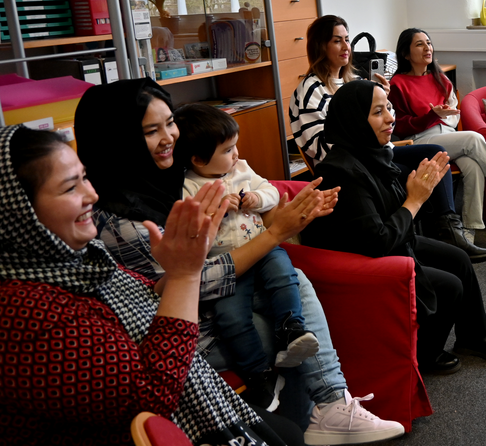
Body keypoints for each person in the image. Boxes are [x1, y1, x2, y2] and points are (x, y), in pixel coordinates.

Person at [73, 78, 406, 446]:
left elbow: (254, 199)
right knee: (287, 328)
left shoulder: (171, 179)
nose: (169, 137)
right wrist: (274, 233)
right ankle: (324, 408)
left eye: (170, 123)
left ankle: (325, 408)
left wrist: (269, 218)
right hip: (186, 331)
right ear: (116, 140)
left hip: (213, 299)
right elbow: (184, 283)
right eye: (151, 130)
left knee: (292, 303)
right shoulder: (118, 218)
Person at [0, 125, 306, 445]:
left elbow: (146, 291)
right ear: (16, 213)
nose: (91, 195)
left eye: (84, 178)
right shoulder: (25, 311)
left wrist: (177, 272)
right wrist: (185, 274)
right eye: (68, 188)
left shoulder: (77, 257)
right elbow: (152, 399)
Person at [302, 80, 486, 375]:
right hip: (365, 260)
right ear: (354, 119)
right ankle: (425, 354)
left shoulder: (371, 155)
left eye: (388, 108)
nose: (390, 118)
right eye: (378, 112)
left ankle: (473, 337)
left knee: (459, 259)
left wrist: (416, 191)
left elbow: (391, 213)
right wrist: (415, 199)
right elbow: (377, 241)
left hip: (388, 240)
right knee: (449, 286)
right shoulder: (342, 173)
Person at [290, 15, 486, 262]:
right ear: (321, 46)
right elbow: (321, 149)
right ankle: (437, 231)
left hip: (375, 153)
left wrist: (383, 102)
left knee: (434, 153)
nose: (346, 47)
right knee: (421, 165)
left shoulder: (353, 80)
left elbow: (387, 126)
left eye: (347, 40)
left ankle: (446, 229)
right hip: (349, 165)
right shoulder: (310, 90)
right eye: (336, 41)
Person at [175, 103, 320, 407]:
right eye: (228, 150)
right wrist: (211, 213)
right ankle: (258, 374)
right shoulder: (189, 188)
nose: (236, 154)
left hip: (262, 248)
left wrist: (256, 197)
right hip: (228, 266)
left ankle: (292, 329)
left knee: (285, 276)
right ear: (198, 159)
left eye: (235, 145)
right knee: (231, 318)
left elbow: (269, 191)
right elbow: (193, 237)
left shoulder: (241, 169)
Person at [389, 27, 486, 237]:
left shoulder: (441, 78)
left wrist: (442, 115)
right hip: (419, 141)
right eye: (420, 44)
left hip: (447, 135)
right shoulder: (397, 84)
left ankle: (467, 231)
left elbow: (453, 116)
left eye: (428, 42)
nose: (427, 48)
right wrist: (431, 115)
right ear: (406, 54)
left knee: (473, 166)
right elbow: (399, 127)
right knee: (473, 138)